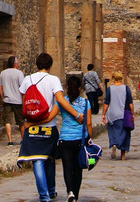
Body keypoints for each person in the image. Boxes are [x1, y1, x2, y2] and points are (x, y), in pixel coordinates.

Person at [18, 52, 80, 202]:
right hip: (48, 125)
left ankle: (45, 195)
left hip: (32, 126)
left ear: (37, 65)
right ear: (50, 65)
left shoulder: (27, 79)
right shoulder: (53, 80)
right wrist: (76, 114)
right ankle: (50, 191)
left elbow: (24, 101)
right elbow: (60, 99)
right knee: (49, 158)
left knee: (37, 160)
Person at [59, 74, 94, 202]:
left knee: (67, 167)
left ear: (67, 87)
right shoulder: (86, 103)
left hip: (65, 139)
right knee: (78, 168)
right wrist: (89, 137)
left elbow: (51, 114)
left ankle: (70, 192)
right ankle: (76, 196)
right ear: (80, 88)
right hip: (80, 139)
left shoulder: (62, 102)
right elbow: (89, 123)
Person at [101, 70, 133, 160]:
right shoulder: (126, 88)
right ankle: (122, 155)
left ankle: (114, 143)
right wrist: (132, 114)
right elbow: (130, 102)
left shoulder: (110, 89)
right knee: (125, 134)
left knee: (113, 131)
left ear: (113, 79)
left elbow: (106, 102)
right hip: (123, 114)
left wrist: (103, 114)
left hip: (112, 114)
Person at [0, 55, 24, 146]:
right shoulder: (19, 73)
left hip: (7, 100)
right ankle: (22, 139)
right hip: (18, 101)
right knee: (21, 121)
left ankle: (10, 140)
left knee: (7, 121)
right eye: (18, 62)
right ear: (15, 63)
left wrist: (2, 97)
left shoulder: (3, 73)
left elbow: (0, 87)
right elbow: (22, 87)